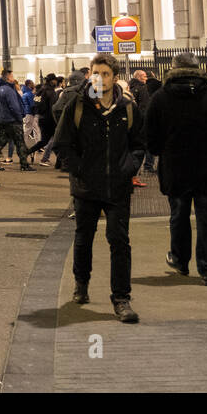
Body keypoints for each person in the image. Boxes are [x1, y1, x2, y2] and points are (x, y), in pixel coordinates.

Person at [52, 54, 143, 323]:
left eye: (105, 74)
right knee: (84, 237)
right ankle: (81, 283)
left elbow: (139, 144)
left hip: (117, 186)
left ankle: (121, 298)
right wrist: (79, 169)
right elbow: (62, 144)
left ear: (115, 78)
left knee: (119, 241)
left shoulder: (127, 108)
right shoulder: (78, 106)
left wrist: (129, 167)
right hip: (86, 186)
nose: (100, 79)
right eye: (96, 73)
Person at [145, 53, 207, 286]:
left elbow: (150, 134)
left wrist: (161, 150)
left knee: (179, 215)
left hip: (176, 166)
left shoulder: (160, 97)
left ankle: (180, 259)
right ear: (197, 68)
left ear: (173, 69)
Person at [0, 69, 33, 171]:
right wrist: (19, 118)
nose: (13, 78)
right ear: (8, 77)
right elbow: (14, 107)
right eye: (12, 76)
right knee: (20, 143)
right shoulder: (9, 90)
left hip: (1, 120)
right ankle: (24, 165)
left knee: (0, 142)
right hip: (12, 121)